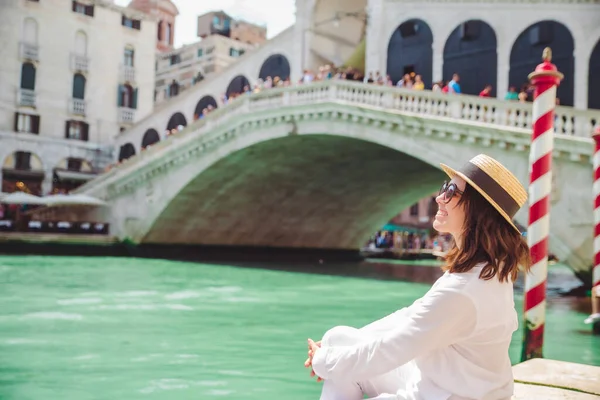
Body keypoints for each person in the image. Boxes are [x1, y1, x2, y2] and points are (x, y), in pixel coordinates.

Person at [305, 154, 531, 400]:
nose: (440, 197)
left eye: (453, 191)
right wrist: (330, 356)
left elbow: (392, 349)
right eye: (446, 187)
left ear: (479, 211)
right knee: (337, 340)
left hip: (447, 395)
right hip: (449, 387)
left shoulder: (463, 290)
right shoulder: (489, 270)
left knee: (338, 361)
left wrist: (325, 362)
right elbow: (411, 316)